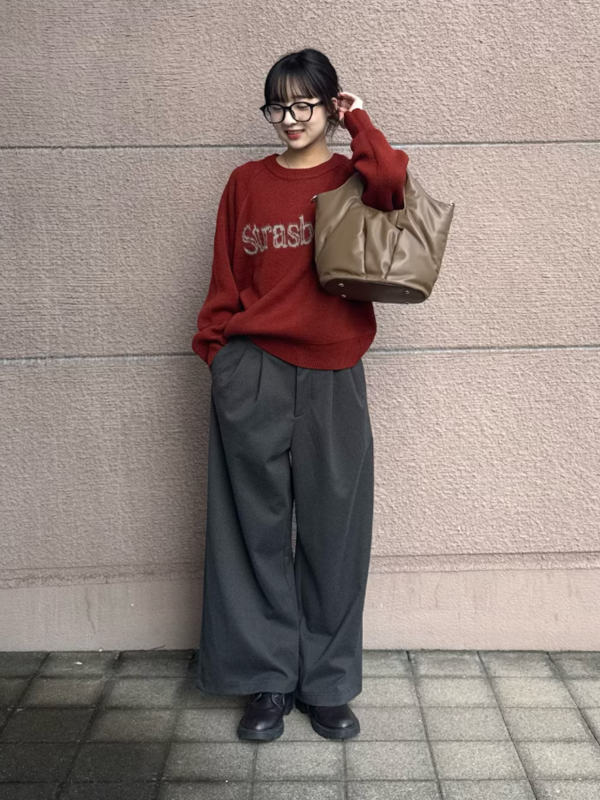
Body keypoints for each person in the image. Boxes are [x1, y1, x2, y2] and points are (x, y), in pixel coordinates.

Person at [191, 47, 408, 742]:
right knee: (251, 534)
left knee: (335, 534)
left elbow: (394, 181)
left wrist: (360, 122)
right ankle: (268, 680)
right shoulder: (245, 183)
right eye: (277, 106)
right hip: (253, 372)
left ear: (329, 105)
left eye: (304, 104)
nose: (289, 118)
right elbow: (225, 280)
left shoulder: (352, 178)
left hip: (334, 374)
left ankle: (328, 684)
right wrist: (220, 358)